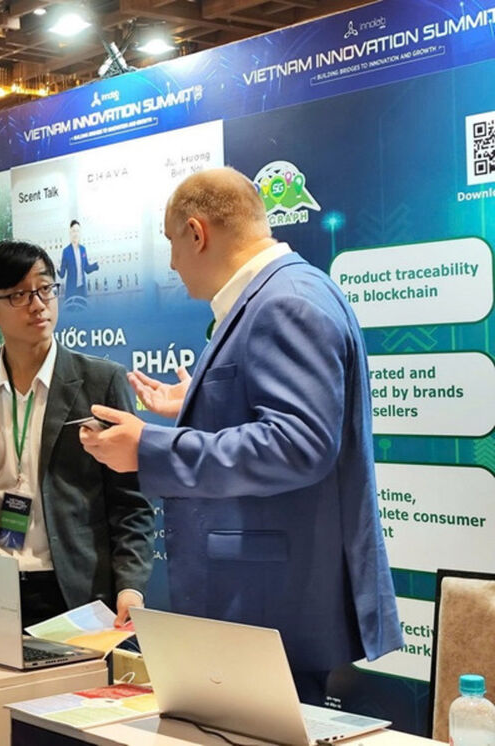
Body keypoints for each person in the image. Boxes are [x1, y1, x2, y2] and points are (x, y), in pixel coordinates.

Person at [80, 167, 402, 703]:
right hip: (264, 599)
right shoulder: (284, 292)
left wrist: (147, 448)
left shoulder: (286, 301)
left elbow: (299, 444)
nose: (171, 263)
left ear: (196, 233)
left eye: (170, 242)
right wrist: (197, 401)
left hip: (272, 604)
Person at [0, 240, 155, 628]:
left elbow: (130, 502)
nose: (38, 304)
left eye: (45, 289)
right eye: (19, 295)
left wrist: (130, 586)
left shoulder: (101, 382)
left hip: (73, 589)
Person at [57, 220, 99, 299]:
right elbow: (62, 275)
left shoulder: (83, 249)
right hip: (71, 291)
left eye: (78, 231)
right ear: (70, 232)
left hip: (82, 291)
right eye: (74, 231)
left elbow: (86, 269)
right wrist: (57, 268)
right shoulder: (66, 251)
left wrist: (96, 265)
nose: (76, 233)